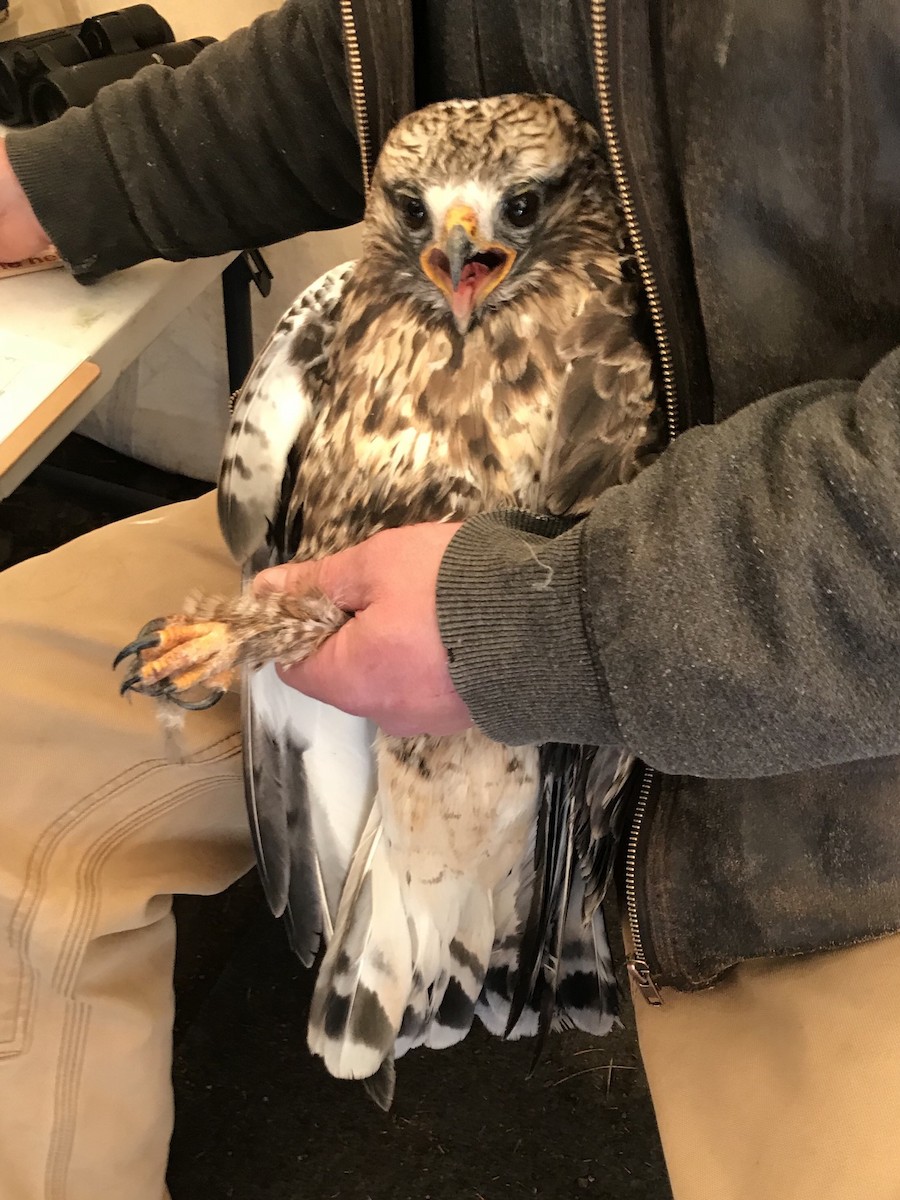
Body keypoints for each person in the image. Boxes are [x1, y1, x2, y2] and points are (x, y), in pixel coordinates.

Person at [1, 3, 899, 1198]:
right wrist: (65, 183)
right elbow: (379, 44)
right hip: (393, 558)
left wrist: (543, 618)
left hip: (833, 731)